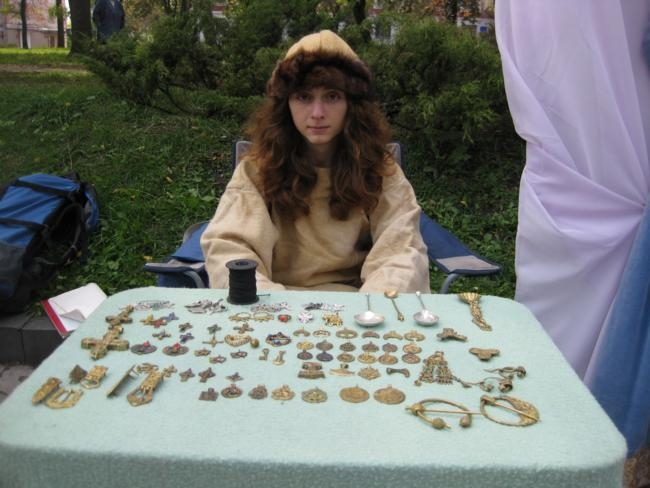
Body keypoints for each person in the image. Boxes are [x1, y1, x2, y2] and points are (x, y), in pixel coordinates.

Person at [200, 30, 431, 293]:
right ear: (286, 104)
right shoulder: (257, 170)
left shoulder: (381, 171)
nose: (318, 113)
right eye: (304, 97)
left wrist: (373, 306)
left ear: (352, 104)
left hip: (358, 305)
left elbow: (401, 252)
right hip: (275, 304)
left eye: (332, 96)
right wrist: (269, 303)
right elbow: (230, 247)